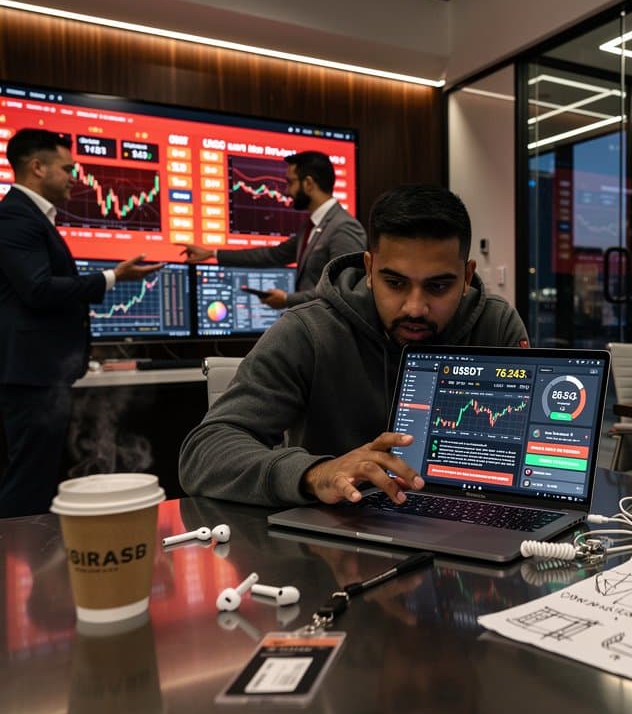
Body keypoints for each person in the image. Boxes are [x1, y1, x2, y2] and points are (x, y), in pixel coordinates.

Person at [179, 184, 528, 507]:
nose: (415, 308)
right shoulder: (307, 332)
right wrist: (314, 474)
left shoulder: (496, 327)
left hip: (470, 535)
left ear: (467, 277)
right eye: (395, 283)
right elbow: (204, 451)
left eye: (438, 287)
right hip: (334, 549)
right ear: (369, 267)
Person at [0, 129, 164, 517]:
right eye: (67, 168)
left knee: (38, 476)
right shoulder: (16, 218)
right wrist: (112, 278)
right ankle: (12, 566)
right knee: (29, 480)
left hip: (41, 373)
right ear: (37, 167)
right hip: (31, 374)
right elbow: (37, 289)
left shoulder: (30, 218)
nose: (75, 177)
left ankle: (30, 566)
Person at [176, 150, 365, 309]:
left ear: (308, 183)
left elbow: (342, 292)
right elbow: (272, 255)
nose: (286, 192)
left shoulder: (343, 227)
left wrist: (287, 300)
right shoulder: (314, 226)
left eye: (290, 183)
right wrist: (212, 253)